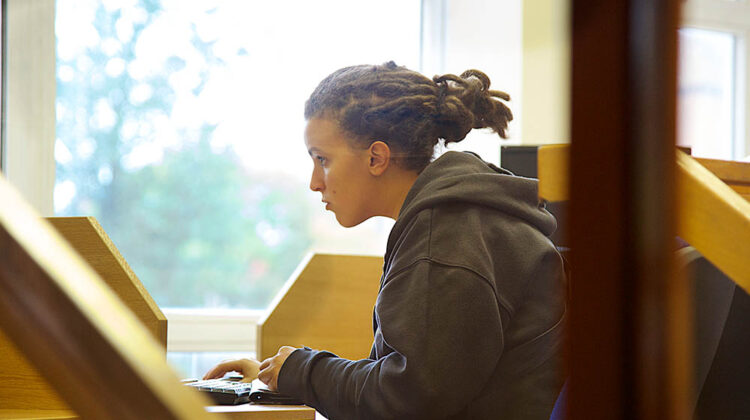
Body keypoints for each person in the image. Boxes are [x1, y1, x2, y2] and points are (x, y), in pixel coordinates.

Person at [203, 61, 566, 420]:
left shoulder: (445, 238)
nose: (315, 182)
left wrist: (303, 371)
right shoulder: (452, 220)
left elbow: (405, 401)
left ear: (376, 157)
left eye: (322, 160)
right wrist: (280, 378)